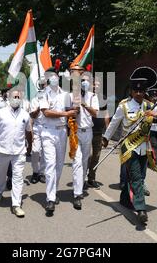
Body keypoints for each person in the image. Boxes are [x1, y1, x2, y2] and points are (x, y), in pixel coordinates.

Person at [102, 67, 157, 223]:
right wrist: (106, 137)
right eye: (136, 91)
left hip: (144, 147)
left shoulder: (150, 106)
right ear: (132, 92)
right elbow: (114, 123)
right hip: (129, 146)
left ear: (145, 91)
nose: (139, 94)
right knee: (137, 177)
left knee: (137, 175)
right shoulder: (124, 106)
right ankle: (140, 208)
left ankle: (125, 199)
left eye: (142, 91)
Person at [0, 90, 32, 218]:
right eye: (14, 96)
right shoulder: (0, 113)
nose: (16, 98)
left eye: (18, 97)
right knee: (0, 173)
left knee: (18, 177)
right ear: (9, 98)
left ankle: (16, 204)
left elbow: (29, 132)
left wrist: (30, 146)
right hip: (2, 150)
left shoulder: (25, 115)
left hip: (19, 151)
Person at [40, 66, 76, 215]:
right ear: (48, 78)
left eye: (56, 75)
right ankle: (50, 199)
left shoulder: (66, 94)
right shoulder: (43, 94)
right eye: (51, 76)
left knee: (59, 166)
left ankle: (54, 191)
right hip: (48, 131)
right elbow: (46, 112)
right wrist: (65, 113)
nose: (54, 77)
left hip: (62, 131)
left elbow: (72, 110)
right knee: (50, 164)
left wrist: (75, 109)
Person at [70, 73, 99, 209]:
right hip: (76, 132)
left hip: (88, 132)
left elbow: (95, 113)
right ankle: (77, 194)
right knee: (77, 162)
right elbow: (69, 112)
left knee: (84, 161)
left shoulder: (93, 97)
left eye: (87, 81)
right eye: (82, 81)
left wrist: (84, 104)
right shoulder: (72, 96)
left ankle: (80, 185)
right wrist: (74, 108)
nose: (85, 83)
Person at [87, 77, 110, 188]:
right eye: (94, 84)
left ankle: (91, 178)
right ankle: (81, 178)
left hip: (98, 132)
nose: (96, 86)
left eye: (98, 84)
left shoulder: (103, 98)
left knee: (96, 156)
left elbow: (105, 114)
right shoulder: (86, 97)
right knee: (87, 155)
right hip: (86, 131)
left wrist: (108, 132)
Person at [28, 77, 47, 184]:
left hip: (48, 127)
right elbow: (32, 115)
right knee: (35, 151)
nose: (43, 86)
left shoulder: (49, 98)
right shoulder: (34, 99)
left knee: (45, 151)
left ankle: (42, 172)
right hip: (37, 127)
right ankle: (35, 171)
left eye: (44, 84)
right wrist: (40, 107)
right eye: (41, 84)